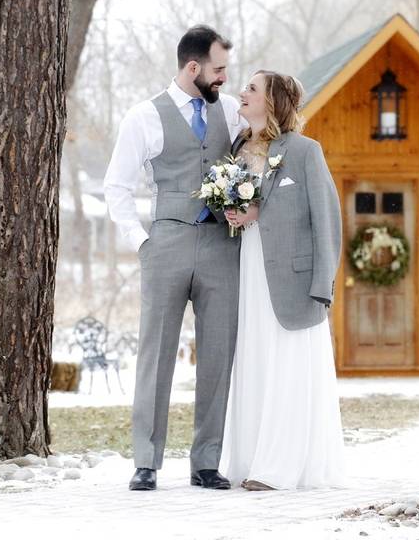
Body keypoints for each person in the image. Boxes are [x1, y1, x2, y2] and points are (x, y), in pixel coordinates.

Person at [103, 25, 248, 491]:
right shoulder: (143, 117)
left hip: (222, 247)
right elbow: (117, 187)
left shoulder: (231, 112)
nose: (225, 78)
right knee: (156, 352)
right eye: (219, 68)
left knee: (218, 355)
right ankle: (145, 460)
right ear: (194, 67)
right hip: (165, 244)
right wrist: (141, 242)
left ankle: (206, 461)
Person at [219, 70, 348, 490]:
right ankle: (250, 459)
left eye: (252, 89)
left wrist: (322, 287)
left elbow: (328, 221)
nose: (243, 92)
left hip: (294, 284)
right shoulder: (236, 151)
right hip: (249, 273)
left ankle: (280, 469)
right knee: (255, 361)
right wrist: (235, 214)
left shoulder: (305, 152)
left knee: (288, 370)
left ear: (273, 101)